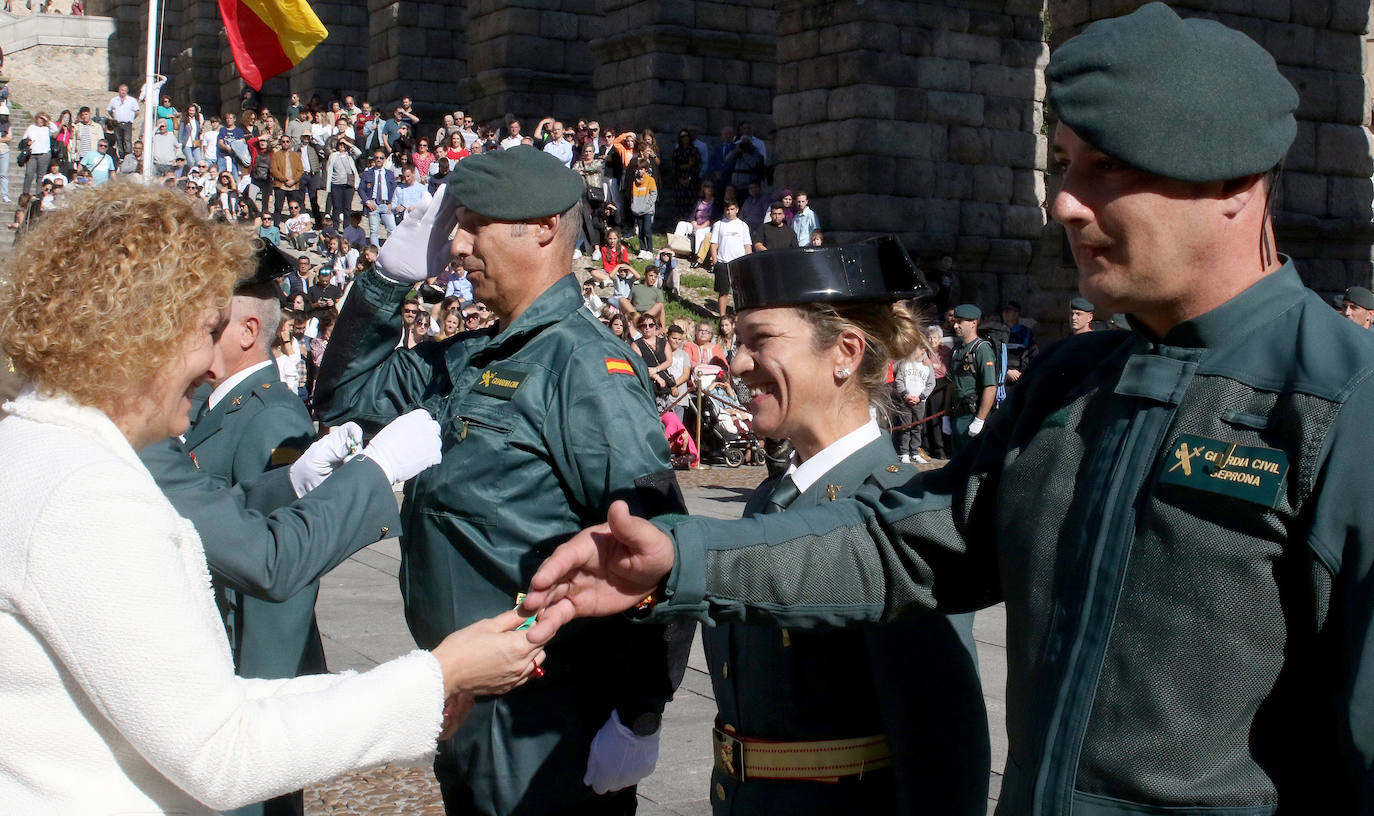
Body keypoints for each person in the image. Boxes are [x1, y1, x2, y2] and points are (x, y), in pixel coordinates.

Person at [524, 5, 1374, 814]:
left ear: (1235, 182)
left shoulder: (1342, 403)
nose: (1065, 201)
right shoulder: (1071, 383)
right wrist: (680, 559)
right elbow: (907, 545)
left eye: (1110, 167)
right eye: (1066, 161)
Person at [0, 180, 545, 814]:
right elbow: (221, 750)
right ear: (142, 337)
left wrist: (292, 483)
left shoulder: (38, 448)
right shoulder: (89, 497)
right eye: (205, 333)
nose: (211, 368)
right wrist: (438, 677)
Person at [313, 146, 692, 816]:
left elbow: (658, 551)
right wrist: (385, 279)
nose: (455, 246)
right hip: (469, 698)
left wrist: (639, 717)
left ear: (543, 227)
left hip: (547, 718)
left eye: (474, 225)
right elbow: (344, 395)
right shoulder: (464, 357)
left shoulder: (583, 369)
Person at [689, 243, 985, 814]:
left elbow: (941, 749)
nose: (737, 362)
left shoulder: (899, 509)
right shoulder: (772, 501)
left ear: (844, 352)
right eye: (738, 342)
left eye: (760, 341)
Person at [945, 303, 996, 455]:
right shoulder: (957, 351)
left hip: (973, 415)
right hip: (957, 414)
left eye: (960, 321)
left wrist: (980, 419)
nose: (955, 325)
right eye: (955, 321)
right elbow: (951, 385)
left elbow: (990, 387)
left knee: (972, 465)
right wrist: (946, 416)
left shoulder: (982, 349)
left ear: (973, 322)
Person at [709, 200, 752, 316]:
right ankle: (722, 316)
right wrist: (715, 261)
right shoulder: (718, 224)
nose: (729, 212)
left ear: (737, 209)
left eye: (732, 209)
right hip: (723, 262)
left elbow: (747, 245)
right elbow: (713, 244)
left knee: (739, 292)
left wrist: (748, 262)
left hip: (739, 263)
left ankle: (738, 315)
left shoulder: (743, 226)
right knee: (723, 292)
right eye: (727, 210)